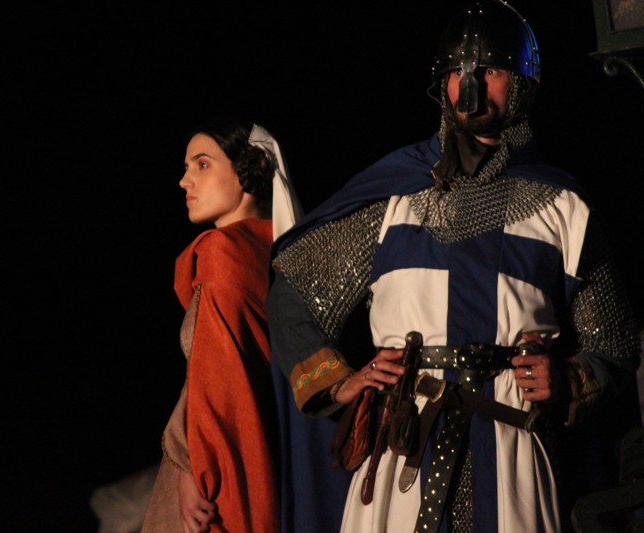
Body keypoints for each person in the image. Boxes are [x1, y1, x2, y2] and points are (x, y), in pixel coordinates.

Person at [266, 1, 641, 532]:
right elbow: (294, 291)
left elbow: (615, 344)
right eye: (458, 71)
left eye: (490, 70)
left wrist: (568, 379)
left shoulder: (563, 208)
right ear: (441, 84)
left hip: (511, 451)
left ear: (522, 82)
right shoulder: (393, 197)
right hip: (405, 445)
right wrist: (341, 380)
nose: (471, 85)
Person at [141, 119, 303, 533]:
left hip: (222, 472)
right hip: (276, 454)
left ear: (249, 169)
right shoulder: (281, 252)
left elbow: (220, 381)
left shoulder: (222, 253)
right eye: (186, 167)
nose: (184, 181)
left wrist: (193, 465)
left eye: (202, 164)